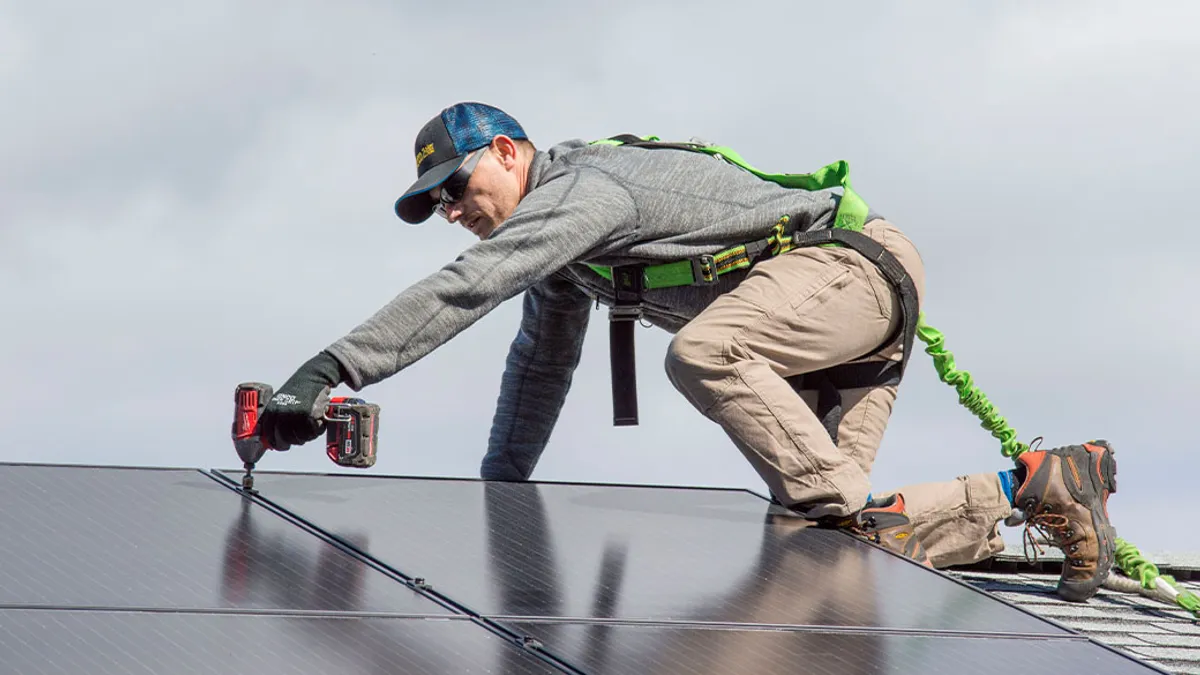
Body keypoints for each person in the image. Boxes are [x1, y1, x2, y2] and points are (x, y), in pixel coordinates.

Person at [257, 101, 1118, 602]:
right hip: (820, 334)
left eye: (456, 187)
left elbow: (465, 285)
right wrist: (501, 510)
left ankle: (1006, 492)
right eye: (436, 204)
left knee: (704, 351)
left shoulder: (580, 191)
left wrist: (330, 370)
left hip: (852, 272)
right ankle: (1040, 487)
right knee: (827, 546)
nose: (452, 208)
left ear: (510, 153)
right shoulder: (565, 262)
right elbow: (537, 372)